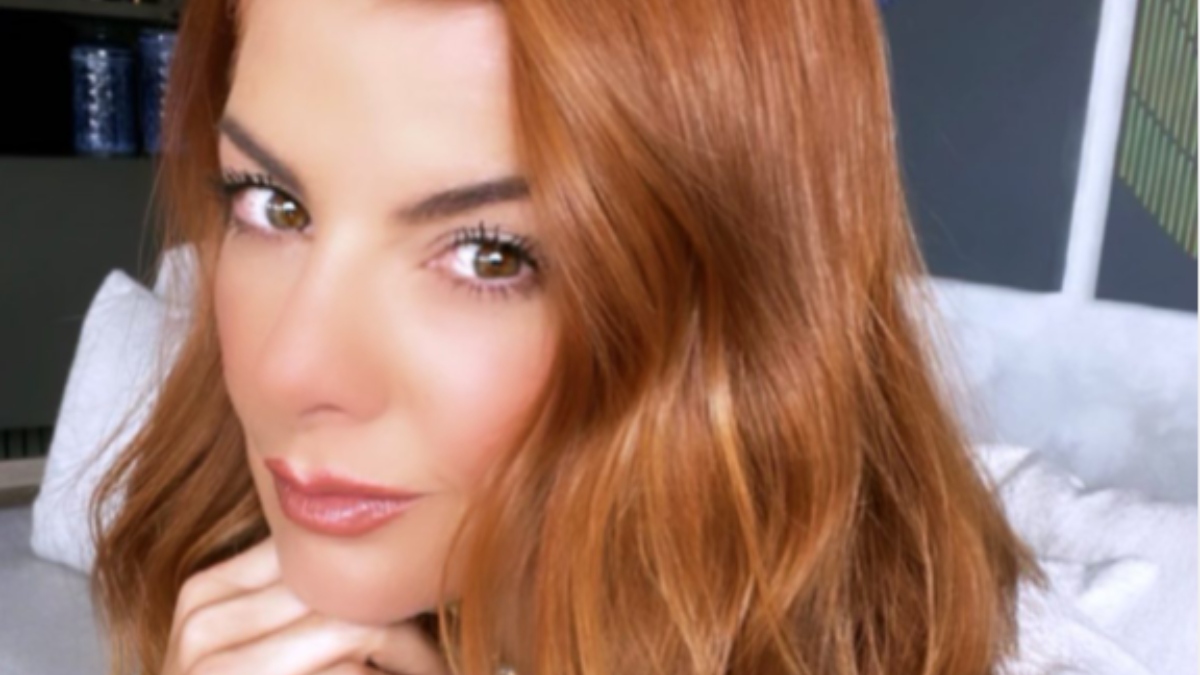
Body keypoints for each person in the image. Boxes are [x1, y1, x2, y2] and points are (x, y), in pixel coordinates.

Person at [89, 0, 1041, 673]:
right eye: (272, 204)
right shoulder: (217, 580)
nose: (288, 368)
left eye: (490, 256)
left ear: (733, 305)